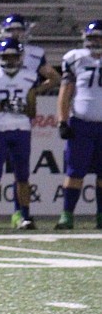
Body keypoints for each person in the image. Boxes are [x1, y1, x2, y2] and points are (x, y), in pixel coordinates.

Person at [0, 38, 40, 229]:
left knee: (22, 175)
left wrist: (21, 107)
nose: (11, 61)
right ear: (0, 57)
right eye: (6, 57)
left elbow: (32, 112)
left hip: (21, 129)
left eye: (14, 57)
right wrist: (2, 106)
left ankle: (25, 216)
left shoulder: (29, 76)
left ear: (20, 57)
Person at [55, 21, 102, 229]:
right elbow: (65, 93)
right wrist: (62, 121)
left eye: (98, 37)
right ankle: (67, 215)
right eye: (91, 37)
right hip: (81, 124)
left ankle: (101, 216)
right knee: (75, 173)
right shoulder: (75, 58)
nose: (95, 41)